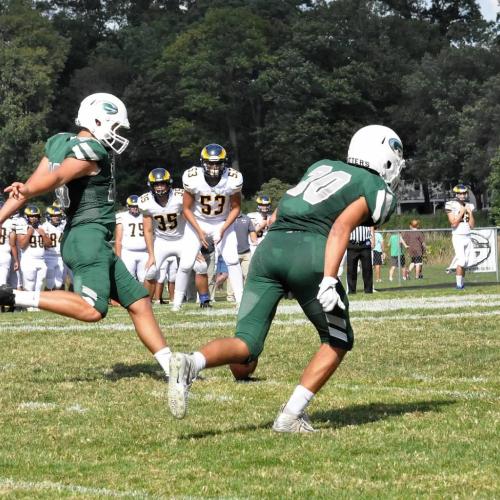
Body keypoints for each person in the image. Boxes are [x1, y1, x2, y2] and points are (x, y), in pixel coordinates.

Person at [167, 124, 403, 432]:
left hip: (269, 251)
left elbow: (280, 212)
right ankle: (290, 416)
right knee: (338, 339)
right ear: (386, 158)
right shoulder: (373, 184)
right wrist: (329, 278)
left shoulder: (322, 166)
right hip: (309, 254)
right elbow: (341, 227)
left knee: (247, 343)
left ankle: (192, 363)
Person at [0, 92, 172, 378]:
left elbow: (26, 189)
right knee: (93, 309)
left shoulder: (60, 142)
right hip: (88, 235)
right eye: (114, 126)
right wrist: (29, 190)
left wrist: (12, 205)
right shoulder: (92, 150)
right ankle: (12, 295)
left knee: (139, 302)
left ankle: (172, 366)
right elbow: (56, 178)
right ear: (98, 121)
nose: (117, 133)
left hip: (88, 236)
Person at [171, 143, 244, 311]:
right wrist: (199, 231)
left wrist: (223, 229)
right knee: (186, 264)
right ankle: (176, 304)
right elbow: (186, 209)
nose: (214, 167)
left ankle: (241, 301)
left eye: (218, 163)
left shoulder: (233, 179)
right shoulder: (193, 178)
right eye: (210, 163)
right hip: (198, 221)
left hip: (222, 221)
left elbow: (236, 208)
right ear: (203, 162)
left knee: (233, 260)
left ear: (224, 163)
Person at [138, 168, 211, 307]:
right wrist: (151, 255)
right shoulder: (145, 202)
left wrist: (194, 246)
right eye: (156, 184)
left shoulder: (180, 196)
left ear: (168, 183)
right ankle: (145, 305)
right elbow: (147, 230)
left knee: (201, 266)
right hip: (161, 241)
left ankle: (205, 300)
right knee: (150, 271)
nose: (160, 187)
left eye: (162, 183)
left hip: (183, 239)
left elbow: (190, 219)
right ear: (151, 186)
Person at [445, 184, 475, 289]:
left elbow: (472, 225)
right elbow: (453, 223)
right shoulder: (450, 204)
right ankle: (458, 285)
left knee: (465, 262)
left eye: (464, 193)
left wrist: (470, 213)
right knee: (461, 261)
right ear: (456, 194)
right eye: (460, 193)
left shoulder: (469, 205)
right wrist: (462, 212)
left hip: (468, 236)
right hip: (458, 236)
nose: (462, 195)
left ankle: (461, 284)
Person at [114, 195, 148, 283]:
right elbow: (118, 239)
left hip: (144, 252)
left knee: (146, 279)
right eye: (132, 206)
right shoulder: (122, 216)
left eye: (136, 206)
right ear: (128, 206)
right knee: (129, 279)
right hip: (128, 253)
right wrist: (118, 258)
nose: (135, 208)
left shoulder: (146, 216)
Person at [226, 212, 257, 302]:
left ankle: (247, 295)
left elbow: (252, 231)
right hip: (233, 252)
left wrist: (254, 241)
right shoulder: (227, 218)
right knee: (232, 275)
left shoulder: (247, 218)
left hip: (246, 252)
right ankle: (230, 296)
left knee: (248, 274)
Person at [17, 205, 49, 295]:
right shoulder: (22, 227)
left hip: (41, 261)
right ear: (26, 217)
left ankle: (38, 303)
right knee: (29, 287)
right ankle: (27, 304)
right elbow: (22, 245)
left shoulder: (42, 227)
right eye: (31, 216)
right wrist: (29, 234)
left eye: (35, 216)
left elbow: (49, 245)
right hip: (28, 261)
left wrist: (43, 235)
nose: (34, 218)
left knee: (40, 286)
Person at [42, 205, 67, 290]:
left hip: (60, 257)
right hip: (48, 256)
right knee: (50, 283)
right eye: (54, 215)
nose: (57, 217)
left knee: (59, 284)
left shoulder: (63, 226)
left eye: (58, 215)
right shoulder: (45, 226)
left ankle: (54, 295)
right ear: (49, 216)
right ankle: (47, 296)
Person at [346, 225, 374, 293]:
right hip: (352, 244)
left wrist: (373, 238)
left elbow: (371, 225)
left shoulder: (366, 218)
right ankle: (351, 291)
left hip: (365, 243)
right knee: (351, 269)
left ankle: (368, 290)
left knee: (367, 269)